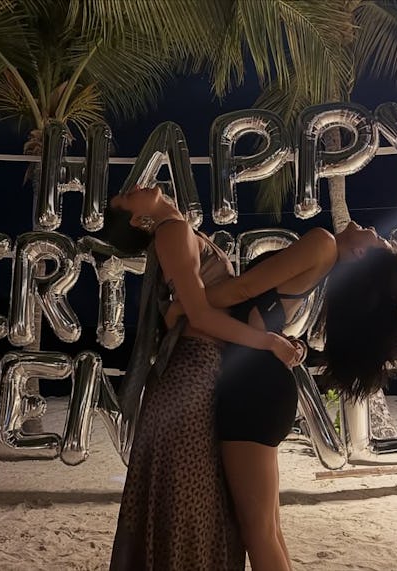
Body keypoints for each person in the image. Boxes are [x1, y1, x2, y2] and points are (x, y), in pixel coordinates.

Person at [173, 221, 397, 571]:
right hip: (263, 389)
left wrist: (186, 305)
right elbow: (263, 313)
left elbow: (242, 290)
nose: (373, 228)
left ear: (360, 252)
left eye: (377, 239)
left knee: (258, 532)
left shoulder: (322, 243)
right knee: (267, 529)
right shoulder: (324, 260)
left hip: (252, 389)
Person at [100, 184, 302, 571]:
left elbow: (187, 309)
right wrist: (268, 342)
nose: (132, 187)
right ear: (137, 220)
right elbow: (202, 316)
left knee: (194, 504)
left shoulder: (177, 231)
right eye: (124, 198)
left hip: (195, 374)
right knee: (191, 506)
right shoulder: (172, 232)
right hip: (194, 374)